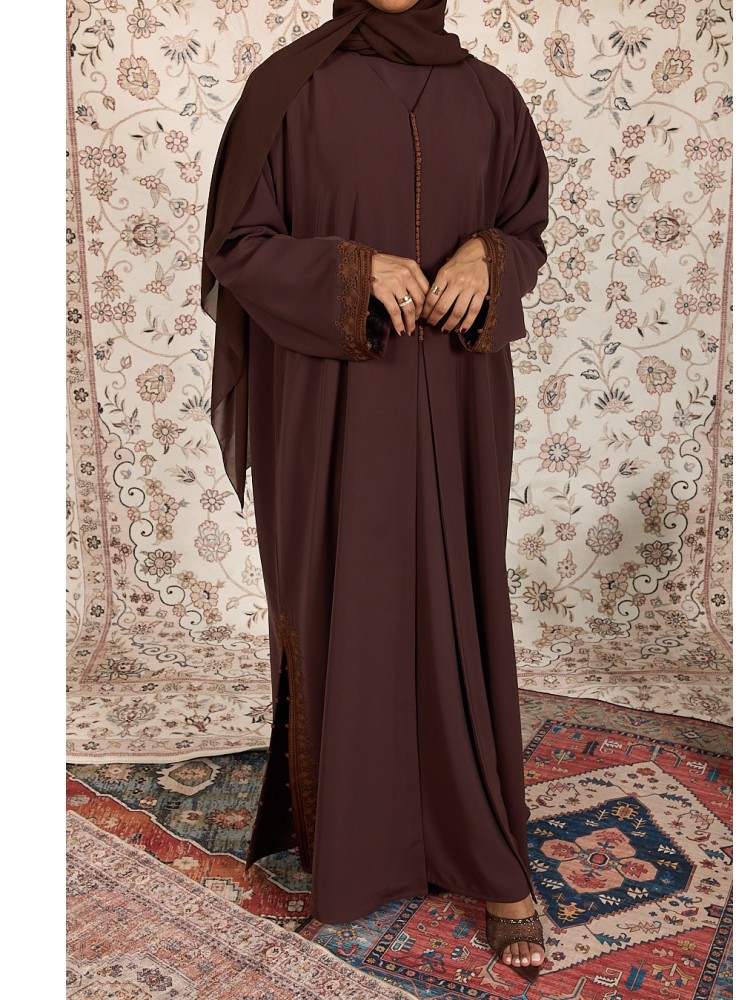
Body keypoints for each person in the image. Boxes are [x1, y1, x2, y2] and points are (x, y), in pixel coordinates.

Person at [201, 0, 550, 981]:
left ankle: (487, 854)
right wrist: (351, 269)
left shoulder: (492, 98)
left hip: (459, 401)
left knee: (457, 606)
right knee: (346, 603)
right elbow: (238, 245)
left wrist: (489, 255)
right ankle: (356, 856)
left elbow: (526, 229)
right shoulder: (287, 89)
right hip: (330, 401)